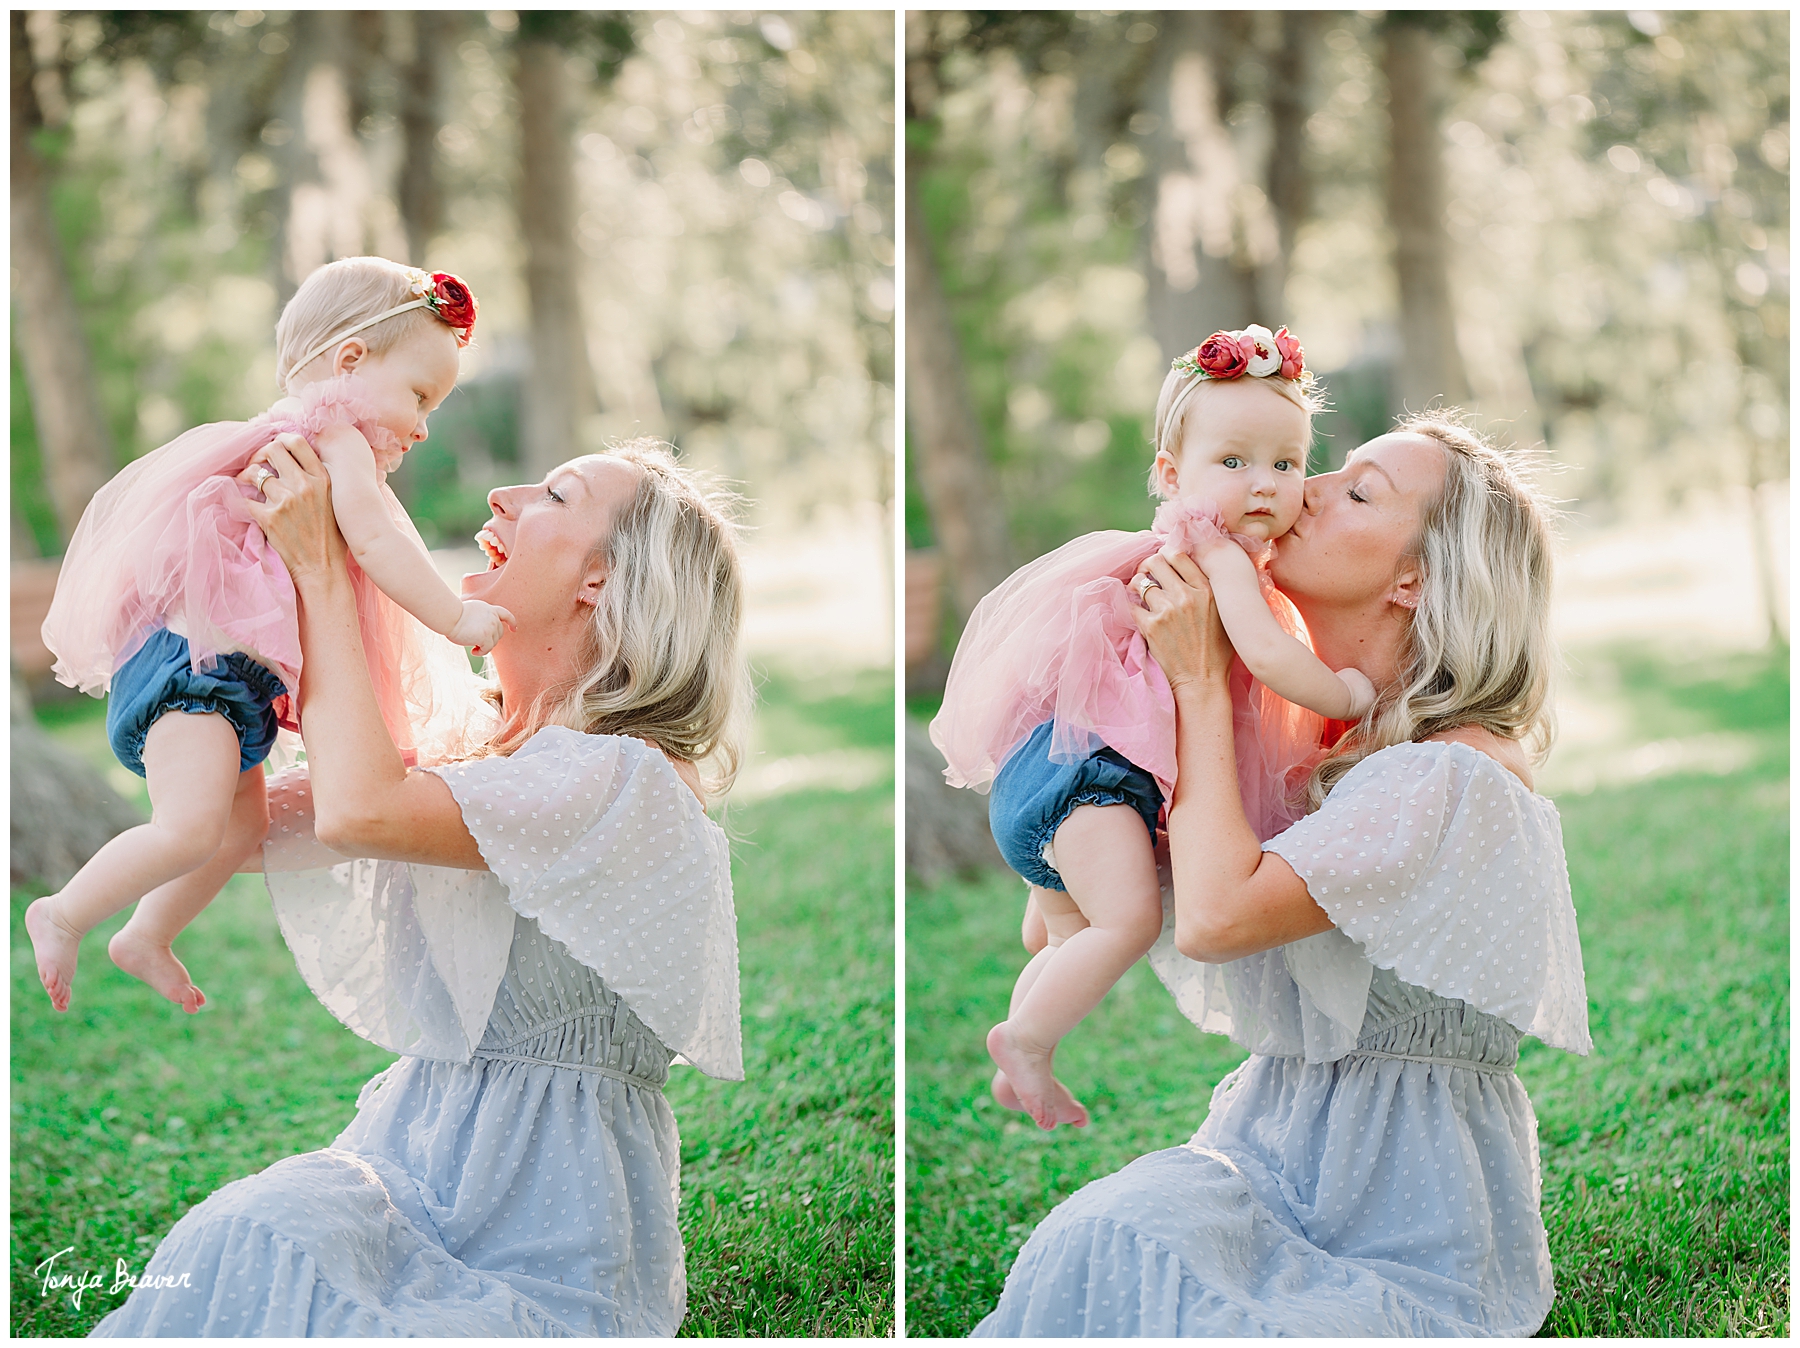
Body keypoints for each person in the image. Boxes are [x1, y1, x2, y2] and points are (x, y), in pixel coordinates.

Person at [91, 433, 750, 1337]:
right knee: (244, 1231)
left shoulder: (622, 778)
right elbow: (236, 835)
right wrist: (220, 648)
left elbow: (359, 812)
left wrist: (325, 569)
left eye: (554, 495)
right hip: (405, 1163)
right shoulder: (473, 751)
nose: (502, 495)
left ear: (601, 577)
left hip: (539, 1222)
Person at [973, 413, 1592, 1337]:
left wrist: (1196, 679)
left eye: (1357, 490)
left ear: (1415, 577)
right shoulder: (1336, 749)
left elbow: (1215, 919)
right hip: (1270, 1152)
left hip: (1396, 1208)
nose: (1306, 489)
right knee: (1099, 1235)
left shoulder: (1446, 774)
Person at [29, 257, 509, 1014]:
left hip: (233, 679)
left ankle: (146, 934)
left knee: (238, 826)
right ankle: (61, 912)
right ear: (350, 361)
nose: (422, 427)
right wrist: (455, 619)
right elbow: (382, 545)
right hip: (198, 668)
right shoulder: (332, 436)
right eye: (420, 396)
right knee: (190, 829)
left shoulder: (307, 439)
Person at [930, 325, 1375, 1131]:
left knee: (1063, 940)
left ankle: (1016, 1056)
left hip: (1042, 775)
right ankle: (1027, 1041)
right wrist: (1345, 692)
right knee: (1127, 922)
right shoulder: (1221, 556)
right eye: (1233, 462)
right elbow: (1272, 657)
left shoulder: (1169, 551)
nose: (1265, 485)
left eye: (1286, 463)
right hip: (1094, 787)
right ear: (1173, 475)